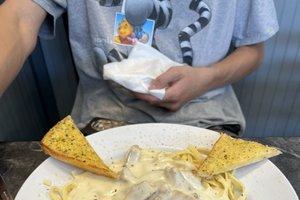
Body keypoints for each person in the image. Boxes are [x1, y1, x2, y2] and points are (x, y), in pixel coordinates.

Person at [0, 0, 278, 135]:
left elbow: (253, 50)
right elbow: (18, 18)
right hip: (104, 116)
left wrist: (204, 80)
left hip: (207, 116)